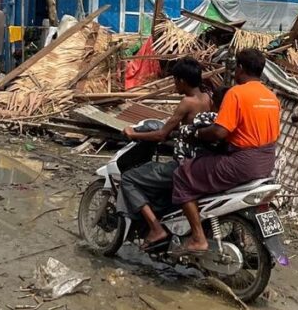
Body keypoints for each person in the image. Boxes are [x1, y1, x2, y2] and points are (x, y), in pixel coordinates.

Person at [173, 49, 280, 252]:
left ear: (240, 68)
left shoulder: (236, 93)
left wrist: (195, 134)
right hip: (266, 162)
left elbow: (219, 132)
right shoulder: (271, 97)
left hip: (242, 163)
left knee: (182, 175)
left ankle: (198, 237)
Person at [120, 57, 212, 249]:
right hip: (203, 160)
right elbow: (192, 127)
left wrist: (133, 133)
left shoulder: (187, 102)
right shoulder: (208, 99)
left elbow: (162, 135)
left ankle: (155, 228)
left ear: (182, 81)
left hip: (183, 164)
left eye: (175, 80)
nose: (173, 84)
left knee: (129, 178)